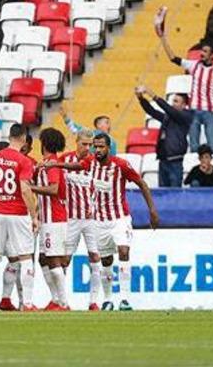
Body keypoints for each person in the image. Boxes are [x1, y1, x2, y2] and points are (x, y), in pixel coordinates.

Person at [79, 133, 158, 311]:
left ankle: (124, 299)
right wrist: (56, 164)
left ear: (108, 147)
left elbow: (142, 184)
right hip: (99, 221)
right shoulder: (91, 163)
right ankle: (108, 300)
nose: (97, 150)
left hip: (119, 218)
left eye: (101, 146)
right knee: (106, 260)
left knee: (123, 250)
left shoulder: (120, 165)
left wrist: (152, 210)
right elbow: (75, 165)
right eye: (95, 147)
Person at [0, 123, 38, 312]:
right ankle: (27, 303)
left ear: (9, 137)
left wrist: (0, 197)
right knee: (26, 256)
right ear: (24, 139)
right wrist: (33, 215)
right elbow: (26, 189)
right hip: (18, 214)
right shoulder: (24, 161)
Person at [158, 28, 213, 154]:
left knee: (212, 145)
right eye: (202, 50)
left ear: (212, 55)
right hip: (193, 110)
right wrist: (163, 39)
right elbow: (173, 58)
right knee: (194, 145)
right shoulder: (194, 65)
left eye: (205, 51)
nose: (202, 53)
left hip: (209, 110)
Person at [57, 130, 102, 310]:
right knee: (65, 259)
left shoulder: (93, 162)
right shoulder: (65, 160)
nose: (87, 147)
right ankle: (62, 301)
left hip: (90, 218)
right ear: (76, 142)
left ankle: (93, 301)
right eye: (84, 144)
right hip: (71, 218)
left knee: (95, 256)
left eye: (90, 144)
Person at [31, 128, 69, 311]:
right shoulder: (47, 163)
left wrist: (32, 188)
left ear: (44, 143)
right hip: (47, 218)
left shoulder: (52, 164)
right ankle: (55, 299)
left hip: (55, 218)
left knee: (53, 259)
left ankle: (64, 302)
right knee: (43, 259)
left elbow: (54, 189)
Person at [135, 86, 194, 187]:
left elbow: (168, 109)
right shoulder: (168, 117)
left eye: (176, 101)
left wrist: (152, 94)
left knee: (174, 195)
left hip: (175, 162)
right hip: (163, 161)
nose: (173, 104)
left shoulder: (186, 116)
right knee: (163, 194)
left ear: (184, 105)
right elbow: (152, 111)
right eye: (173, 101)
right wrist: (141, 98)